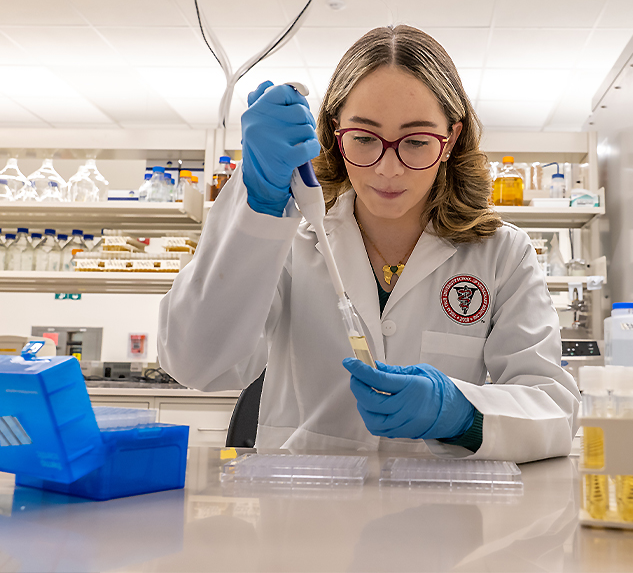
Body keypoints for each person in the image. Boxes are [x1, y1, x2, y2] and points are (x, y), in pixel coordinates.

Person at [158, 25, 579, 463]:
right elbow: (196, 363)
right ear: (335, 134)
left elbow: (553, 409)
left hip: (440, 516)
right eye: (364, 138)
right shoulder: (289, 238)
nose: (388, 169)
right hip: (302, 514)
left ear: (451, 139)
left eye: (416, 141)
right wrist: (258, 204)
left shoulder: (502, 254)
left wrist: (460, 413)